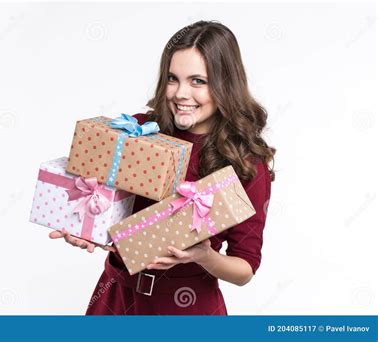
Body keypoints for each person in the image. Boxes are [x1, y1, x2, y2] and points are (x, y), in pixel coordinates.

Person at [49, 20, 276, 315]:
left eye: (198, 81)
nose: (181, 93)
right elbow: (104, 203)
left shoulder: (244, 160)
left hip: (188, 308)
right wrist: (83, 227)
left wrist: (204, 256)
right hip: (116, 298)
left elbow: (244, 267)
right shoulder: (139, 132)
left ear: (224, 84)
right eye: (173, 78)